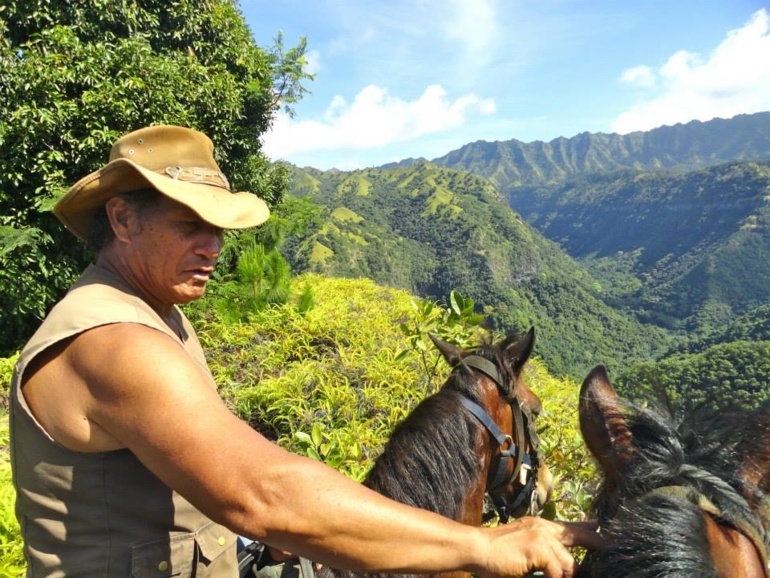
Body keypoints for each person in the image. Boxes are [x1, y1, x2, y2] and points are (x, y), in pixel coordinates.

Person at [9, 125, 601, 578]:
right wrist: (482, 543)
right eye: (191, 224)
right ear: (122, 219)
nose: (213, 246)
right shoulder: (115, 342)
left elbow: (195, 460)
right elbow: (262, 493)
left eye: (219, 229)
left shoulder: (157, 310)